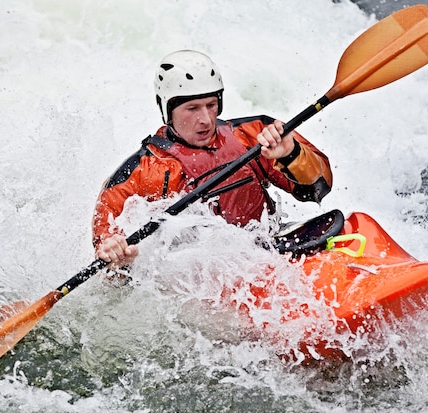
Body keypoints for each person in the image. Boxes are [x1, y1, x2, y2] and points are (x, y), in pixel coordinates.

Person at [92, 50, 333, 267]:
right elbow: (108, 249)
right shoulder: (144, 171)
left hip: (267, 248)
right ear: (167, 111)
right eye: (193, 108)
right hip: (202, 277)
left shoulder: (254, 135)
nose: (206, 119)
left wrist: (291, 155)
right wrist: (116, 255)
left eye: (211, 104)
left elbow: (318, 189)